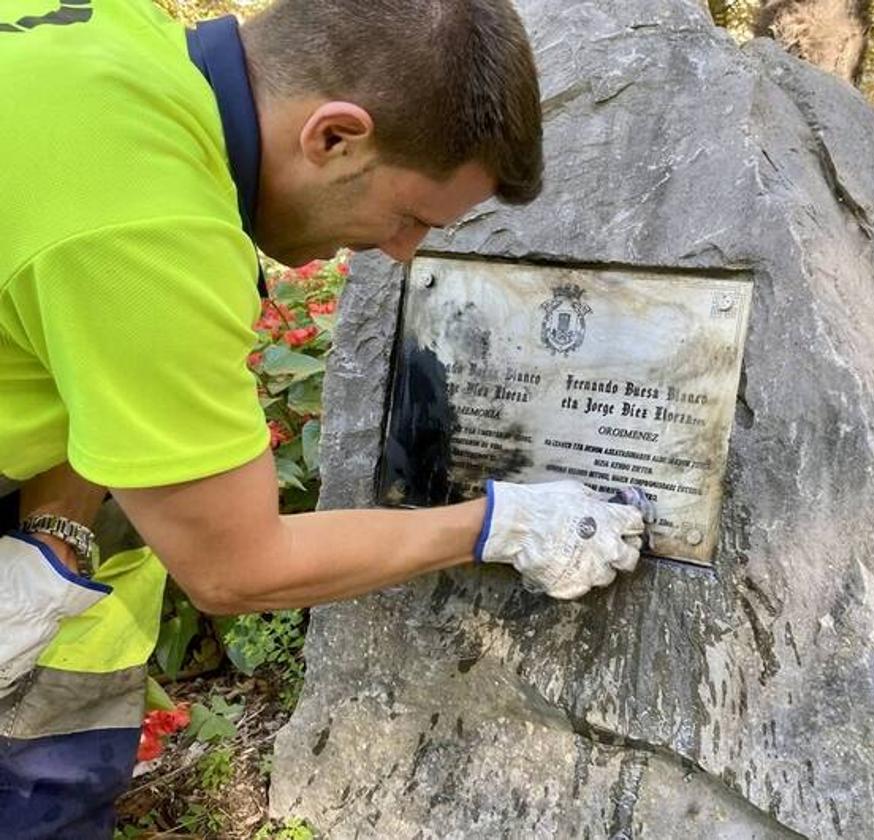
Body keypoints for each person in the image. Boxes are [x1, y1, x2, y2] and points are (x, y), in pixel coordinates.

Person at [0, 1, 650, 836]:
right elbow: (236, 569)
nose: (405, 251)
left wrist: (58, 521)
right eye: (411, 215)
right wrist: (504, 524)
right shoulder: (152, 230)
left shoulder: (100, 34)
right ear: (333, 137)